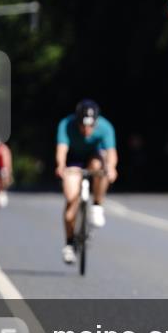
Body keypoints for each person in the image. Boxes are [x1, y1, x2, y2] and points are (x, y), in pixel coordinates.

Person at [55, 99, 118, 264]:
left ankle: (97, 204)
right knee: (70, 200)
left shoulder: (105, 127)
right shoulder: (66, 124)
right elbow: (62, 149)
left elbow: (111, 152)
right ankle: (69, 243)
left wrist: (111, 168)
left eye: (91, 126)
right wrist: (61, 165)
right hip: (73, 162)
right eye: (83, 126)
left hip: (93, 159)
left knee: (101, 166)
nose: (87, 130)